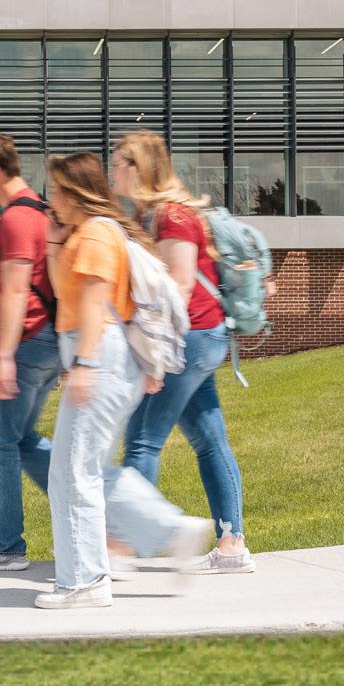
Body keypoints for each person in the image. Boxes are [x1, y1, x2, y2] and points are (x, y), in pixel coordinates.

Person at [36, 150, 211, 611]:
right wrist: (54, 240)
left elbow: (94, 306)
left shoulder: (97, 233)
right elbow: (67, 294)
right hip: (102, 356)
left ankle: (85, 580)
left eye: (57, 191)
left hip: (99, 356)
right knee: (82, 470)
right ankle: (167, 531)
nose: (51, 199)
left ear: (76, 192)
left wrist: (84, 365)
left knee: (73, 473)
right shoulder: (86, 232)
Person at [111, 132, 255, 573]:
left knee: (142, 438)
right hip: (199, 338)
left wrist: (157, 357)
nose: (111, 171)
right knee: (210, 440)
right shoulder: (150, 214)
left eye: (118, 163)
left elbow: (181, 285)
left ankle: (119, 550)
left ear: (139, 168)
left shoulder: (172, 215)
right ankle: (231, 546)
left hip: (189, 339)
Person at [0, 136, 58, 572]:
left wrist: (4, 355)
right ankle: (108, 512)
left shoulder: (16, 218)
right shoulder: (41, 209)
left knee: (3, 443)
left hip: (28, 342)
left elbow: (16, 291)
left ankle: (8, 548)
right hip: (47, 340)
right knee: (23, 440)